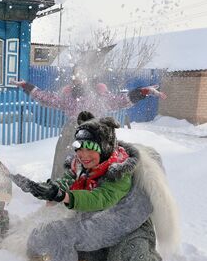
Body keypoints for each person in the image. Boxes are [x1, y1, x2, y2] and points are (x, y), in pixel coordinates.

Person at [10, 111, 180, 261]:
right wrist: (50, 189)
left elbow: (102, 198)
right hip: (96, 222)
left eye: (90, 148)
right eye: (79, 148)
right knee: (60, 237)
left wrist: (65, 197)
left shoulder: (120, 171)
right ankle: (96, 254)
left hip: (128, 226)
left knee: (135, 257)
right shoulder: (80, 165)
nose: (83, 154)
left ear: (105, 147)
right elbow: (66, 181)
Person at [11, 71, 167, 180]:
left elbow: (121, 100)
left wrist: (143, 92)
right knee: (63, 165)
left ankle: (87, 196)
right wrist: (27, 86)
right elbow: (46, 98)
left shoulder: (100, 96)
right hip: (70, 136)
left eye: (81, 75)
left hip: (94, 137)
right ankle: (59, 192)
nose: (78, 79)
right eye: (75, 76)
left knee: (92, 169)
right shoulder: (67, 97)